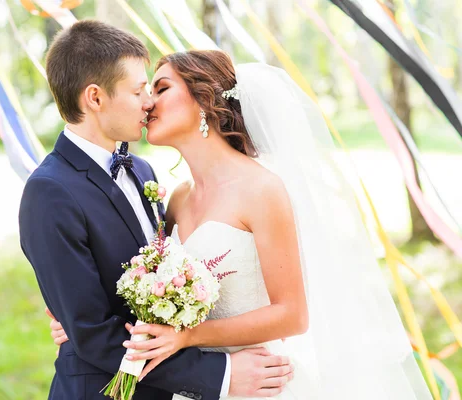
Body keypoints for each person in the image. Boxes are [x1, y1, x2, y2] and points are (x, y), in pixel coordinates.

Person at [48, 49, 434, 399]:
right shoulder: (176, 199)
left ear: (203, 98)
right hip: (198, 385)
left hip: (259, 380)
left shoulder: (261, 189)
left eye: (161, 88)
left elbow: (293, 314)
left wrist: (189, 336)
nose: (148, 102)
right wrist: (79, 320)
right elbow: (152, 282)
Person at [19, 21, 293, 400]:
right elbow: (95, 334)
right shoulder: (49, 192)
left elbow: (160, 275)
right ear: (95, 98)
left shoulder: (142, 171)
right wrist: (223, 376)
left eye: (155, 88)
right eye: (139, 90)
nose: (148, 101)